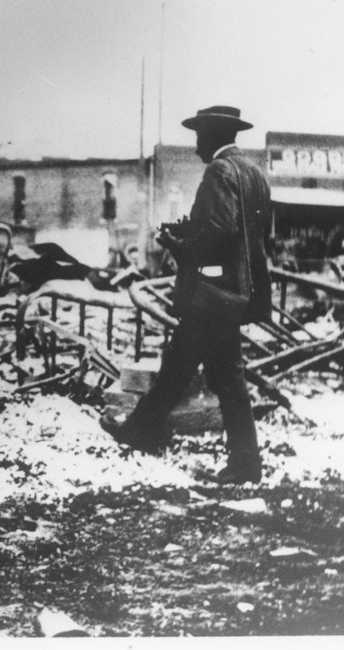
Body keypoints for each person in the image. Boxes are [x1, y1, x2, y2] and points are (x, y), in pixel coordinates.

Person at [100, 105, 272, 484]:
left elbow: (218, 232)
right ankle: (149, 432)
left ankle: (239, 461)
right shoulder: (254, 174)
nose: (195, 146)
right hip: (237, 292)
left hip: (212, 295)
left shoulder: (219, 170)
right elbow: (254, 237)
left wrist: (179, 244)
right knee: (190, 368)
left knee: (203, 372)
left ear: (210, 135)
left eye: (198, 137)